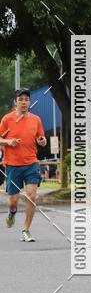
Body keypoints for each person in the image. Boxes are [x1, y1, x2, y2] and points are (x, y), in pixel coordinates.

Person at [0, 88, 46, 242]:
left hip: (31, 162)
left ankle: (26, 230)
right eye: (21, 99)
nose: (24, 102)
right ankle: (12, 213)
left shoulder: (36, 119)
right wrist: (8, 142)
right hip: (13, 164)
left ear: (29, 102)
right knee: (13, 201)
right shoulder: (8, 119)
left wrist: (42, 141)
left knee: (32, 196)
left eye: (26, 99)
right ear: (16, 102)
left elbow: (41, 138)